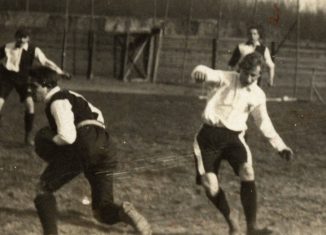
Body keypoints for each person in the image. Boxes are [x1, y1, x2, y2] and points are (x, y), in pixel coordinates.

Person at [29, 66, 152, 235]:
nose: (30, 91)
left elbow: (67, 137)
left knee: (42, 189)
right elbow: (99, 115)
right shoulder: (74, 96)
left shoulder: (56, 101)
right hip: (106, 145)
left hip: (84, 145)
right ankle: (125, 212)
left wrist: (50, 140)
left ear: (46, 85)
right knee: (101, 211)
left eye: (34, 86)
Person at [191, 52, 293, 235]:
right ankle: (232, 221)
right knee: (210, 185)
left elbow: (263, 122)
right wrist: (199, 72)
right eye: (246, 73)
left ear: (259, 74)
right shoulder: (225, 79)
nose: (249, 78)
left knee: (247, 171)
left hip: (234, 139)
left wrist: (281, 146)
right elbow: (205, 71)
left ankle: (252, 227)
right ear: (240, 70)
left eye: (254, 75)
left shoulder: (258, 95)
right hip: (208, 138)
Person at [0, 27, 70, 145]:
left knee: (30, 105)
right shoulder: (6, 47)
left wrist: (60, 72)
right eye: (19, 37)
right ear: (15, 37)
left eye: (24, 37)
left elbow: (45, 62)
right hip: (6, 79)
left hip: (23, 80)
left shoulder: (34, 49)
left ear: (28, 39)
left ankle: (27, 138)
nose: (21, 40)